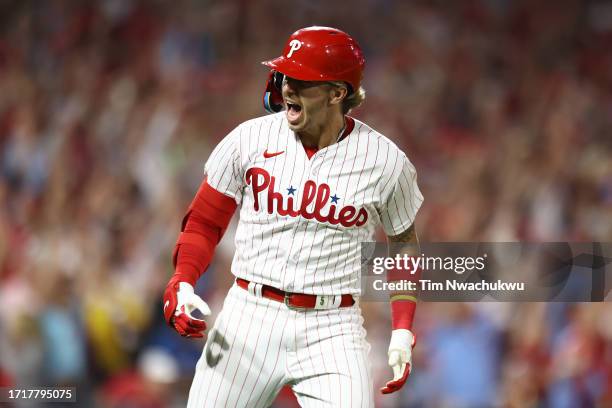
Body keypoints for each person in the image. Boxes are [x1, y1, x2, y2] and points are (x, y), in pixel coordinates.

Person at [162, 26, 423, 407]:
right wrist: (183, 278)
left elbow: (403, 249)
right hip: (247, 316)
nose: (287, 87)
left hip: (332, 328)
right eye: (286, 76)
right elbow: (204, 221)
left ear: (338, 92)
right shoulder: (249, 139)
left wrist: (402, 328)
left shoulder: (385, 162)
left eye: (303, 80)